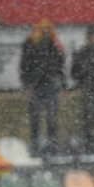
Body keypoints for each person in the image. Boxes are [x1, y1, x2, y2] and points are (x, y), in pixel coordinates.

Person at [19, 19, 65, 153]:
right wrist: (26, 85)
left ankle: (52, 144)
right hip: (35, 85)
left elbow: (60, 66)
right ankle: (35, 143)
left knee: (51, 117)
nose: (45, 32)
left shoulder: (55, 44)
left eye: (47, 29)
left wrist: (63, 85)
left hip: (50, 84)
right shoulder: (30, 43)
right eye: (42, 29)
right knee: (35, 117)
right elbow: (24, 66)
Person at [70, 26, 94, 149]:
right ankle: (89, 142)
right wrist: (83, 70)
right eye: (90, 36)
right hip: (88, 88)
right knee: (88, 117)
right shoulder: (82, 53)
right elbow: (74, 73)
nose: (91, 38)